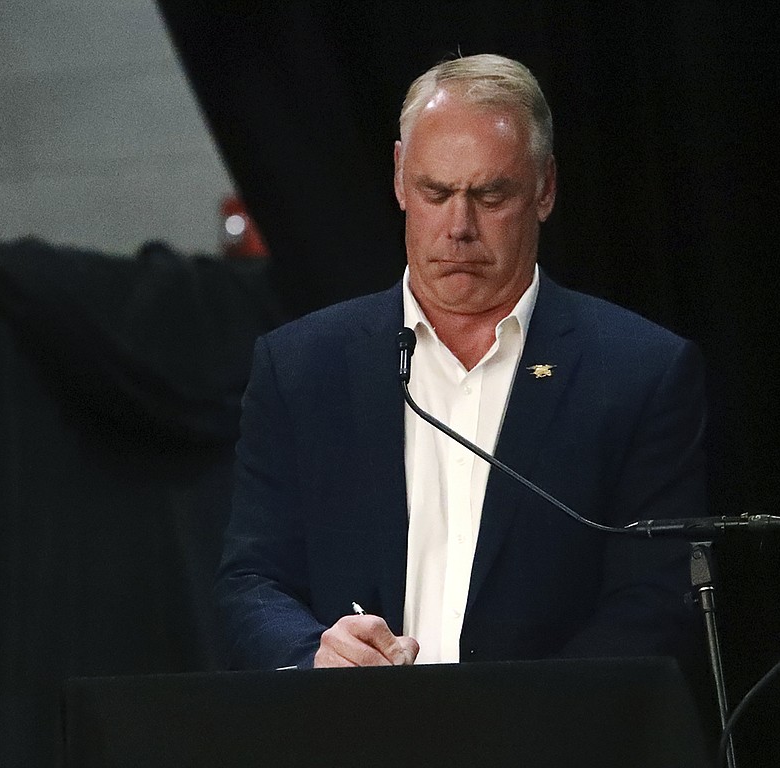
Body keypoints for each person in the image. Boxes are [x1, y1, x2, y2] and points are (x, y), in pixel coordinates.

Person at [216, 54, 708, 670]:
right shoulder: (301, 367)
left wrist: (508, 725)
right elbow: (252, 582)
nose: (458, 226)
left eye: (490, 194)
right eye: (436, 192)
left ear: (545, 188)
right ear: (399, 178)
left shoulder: (640, 373)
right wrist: (314, 655)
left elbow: (654, 601)